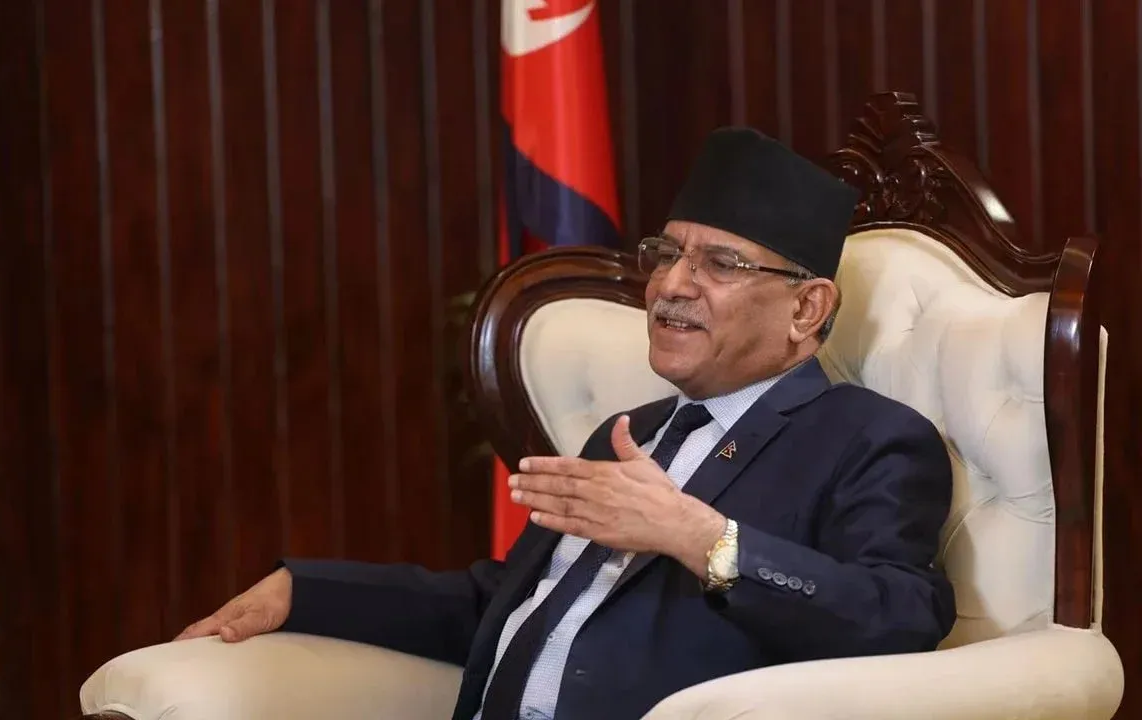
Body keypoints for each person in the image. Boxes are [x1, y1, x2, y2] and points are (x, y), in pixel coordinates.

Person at [177, 128, 956, 720]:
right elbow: (506, 604)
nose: (671, 285)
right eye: (667, 254)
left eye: (720, 265)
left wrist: (700, 538)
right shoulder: (629, 434)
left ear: (807, 308)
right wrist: (306, 591)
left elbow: (898, 617)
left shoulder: (866, 439)